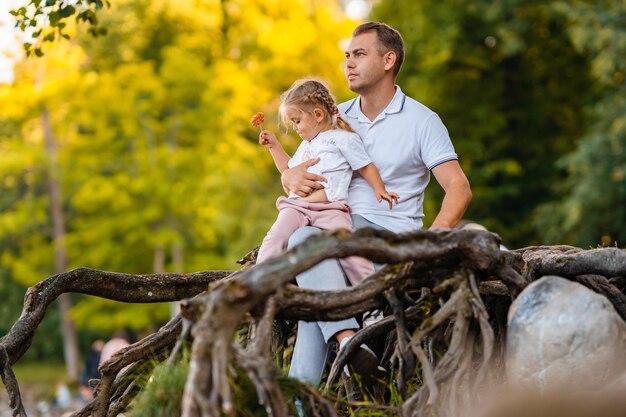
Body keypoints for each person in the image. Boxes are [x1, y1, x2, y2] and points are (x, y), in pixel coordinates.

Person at [280, 22, 472, 386]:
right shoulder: (334, 117)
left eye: (359, 54)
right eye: (347, 56)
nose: (348, 63)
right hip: (337, 227)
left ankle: (329, 363)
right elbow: (298, 171)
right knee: (311, 294)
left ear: (388, 59)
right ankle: (326, 371)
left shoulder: (422, 121)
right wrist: (289, 178)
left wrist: (429, 244)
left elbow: (459, 189)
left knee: (306, 244)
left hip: (387, 235)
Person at [256, 78, 399, 286]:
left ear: (318, 115)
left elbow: (365, 165)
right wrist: (274, 146)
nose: (295, 127)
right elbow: (287, 169)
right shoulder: (305, 145)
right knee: (274, 239)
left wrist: (380, 189)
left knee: (351, 251)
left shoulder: (343, 139)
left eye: (297, 121)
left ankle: (372, 296)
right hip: (297, 207)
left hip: (331, 209)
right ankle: (257, 286)